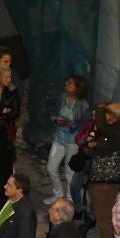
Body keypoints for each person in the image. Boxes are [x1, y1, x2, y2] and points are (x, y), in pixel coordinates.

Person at [83, 102, 120, 238]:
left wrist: (100, 109)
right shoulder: (112, 130)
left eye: (107, 113)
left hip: (106, 180)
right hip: (100, 178)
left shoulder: (116, 131)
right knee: (100, 211)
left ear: (114, 116)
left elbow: (102, 128)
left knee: (104, 215)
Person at [46, 75, 89, 203]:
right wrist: (55, 119)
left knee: (69, 172)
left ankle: (71, 200)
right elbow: (52, 110)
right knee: (51, 167)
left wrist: (72, 124)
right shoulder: (62, 97)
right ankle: (58, 194)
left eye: (70, 83)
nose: (66, 84)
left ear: (77, 88)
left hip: (72, 141)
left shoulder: (83, 104)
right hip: (59, 137)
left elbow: (86, 123)